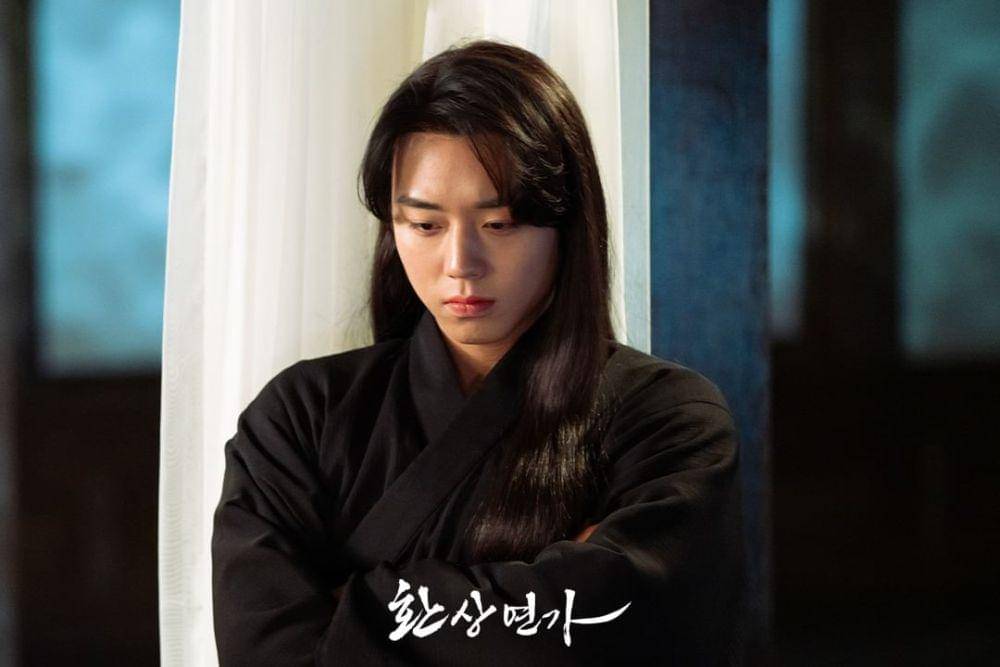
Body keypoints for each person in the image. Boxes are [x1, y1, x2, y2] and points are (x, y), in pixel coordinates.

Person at [212, 39, 745, 666]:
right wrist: (542, 598)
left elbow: (622, 626)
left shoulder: (670, 421)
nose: (460, 263)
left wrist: (348, 610)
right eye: (425, 225)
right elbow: (263, 648)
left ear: (566, 224)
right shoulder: (300, 417)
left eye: (499, 224)